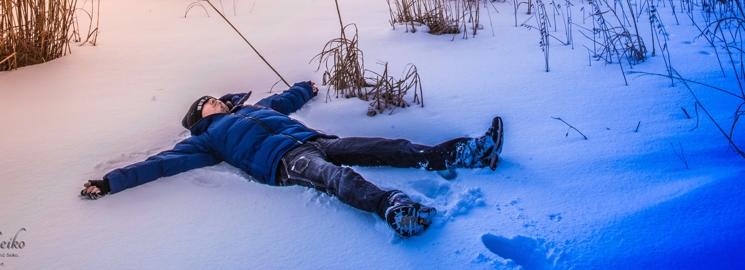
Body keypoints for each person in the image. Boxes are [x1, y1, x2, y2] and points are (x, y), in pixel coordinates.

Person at [80, 81, 503, 237]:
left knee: (385, 146)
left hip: (316, 139)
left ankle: (466, 151)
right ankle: (392, 208)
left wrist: (305, 88)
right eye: (205, 103)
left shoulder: (252, 108)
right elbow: (157, 164)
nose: (214, 101)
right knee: (334, 178)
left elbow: (284, 100)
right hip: (286, 163)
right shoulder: (203, 141)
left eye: (214, 98)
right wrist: (111, 181)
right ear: (198, 118)